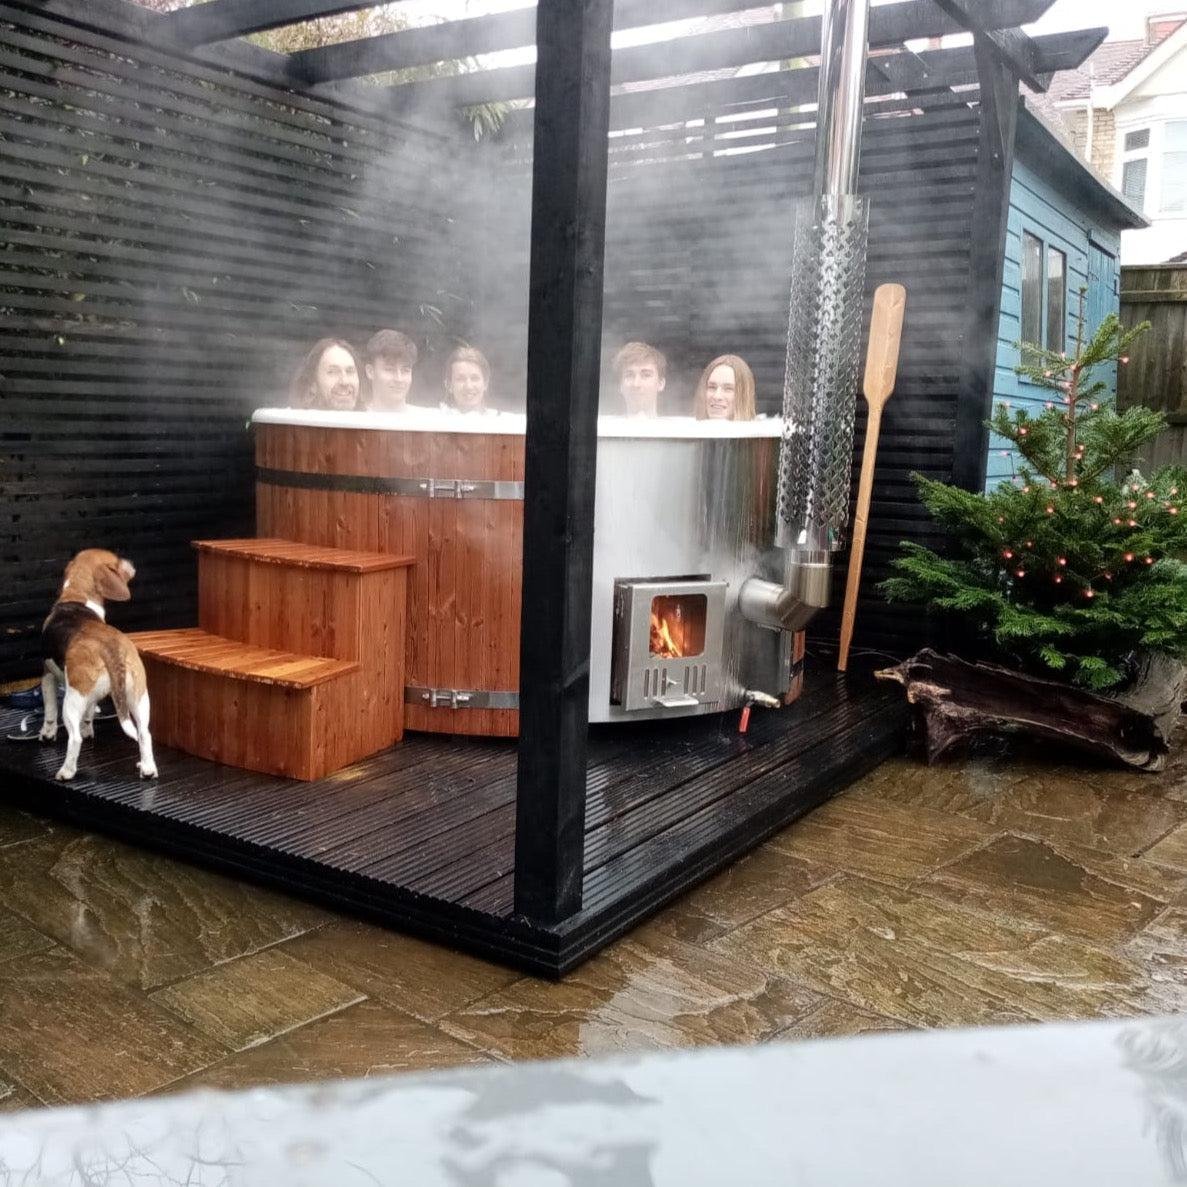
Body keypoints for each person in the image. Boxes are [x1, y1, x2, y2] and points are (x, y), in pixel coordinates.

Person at [288, 338, 365, 411]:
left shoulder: (369, 419)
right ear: (312, 384)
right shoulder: (291, 419)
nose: (344, 381)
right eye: (333, 372)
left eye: (350, 372)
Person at [364, 329, 418, 412]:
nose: (399, 379)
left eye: (405, 370)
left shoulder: (429, 418)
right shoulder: (354, 417)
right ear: (370, 372)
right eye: (389, 369)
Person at [693, 354, 757, 421]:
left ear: (744, 395)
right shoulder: (688, 425)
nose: (717, 396)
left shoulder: (759, 427)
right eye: (712, 387)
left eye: (728, 389)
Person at [611, 341, 667, 417]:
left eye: (646, 375)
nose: (636, 384)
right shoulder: (605, 423)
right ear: (620, 386)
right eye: (629, 375)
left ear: (660, 384)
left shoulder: (678, 424)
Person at [443, 345, 495, 414]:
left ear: (485, 383)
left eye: (474, 378)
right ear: (449, 385)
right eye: (461, 379)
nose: (468, 386)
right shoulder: (433, 418)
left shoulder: (503, 419)